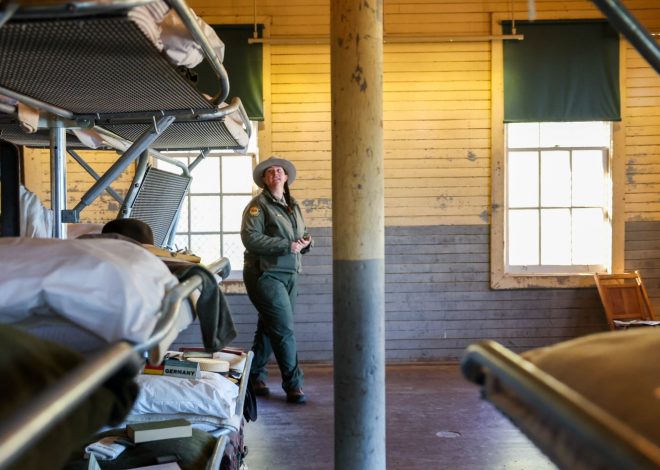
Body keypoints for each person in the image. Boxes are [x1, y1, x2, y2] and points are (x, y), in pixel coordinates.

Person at [241, 156, 312, 405]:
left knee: (270, 327)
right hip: (265, 274)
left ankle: (253, 376)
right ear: (264, 179)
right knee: (283, 329)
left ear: (286, 177)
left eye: (279, 171)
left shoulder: (293, 205)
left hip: (290, 273)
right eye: (270, 172)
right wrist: (287, 245)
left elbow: (299, 236)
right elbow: (251, 239)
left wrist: (305, 242)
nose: (276, 174)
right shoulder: (257, 206)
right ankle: (294, 385)